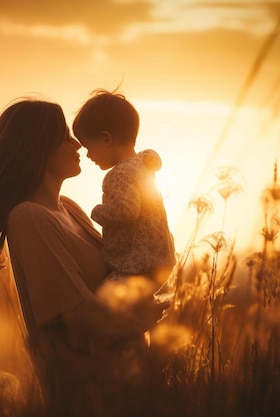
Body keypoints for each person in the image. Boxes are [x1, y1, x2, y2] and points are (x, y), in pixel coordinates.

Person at [0, 98, 168, 417]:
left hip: (126, 392)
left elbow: (120, 273)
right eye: (65, 136)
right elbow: (81, 319)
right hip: (88, 400)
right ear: (39, 148)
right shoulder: (29, 218)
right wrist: (140, 320)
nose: (77, 142)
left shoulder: (70, 209)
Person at [72, 90, 176, 320]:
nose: (88, 155)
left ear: (106, 139)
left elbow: (126, 211)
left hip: (136, 264)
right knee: (133, 310)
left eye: (88, 147)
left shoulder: (118, 175)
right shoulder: (142, 164)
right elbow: (152, 159)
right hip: (159, 260)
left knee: (100, 308)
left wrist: (97, 212)